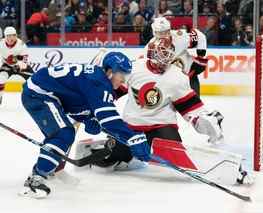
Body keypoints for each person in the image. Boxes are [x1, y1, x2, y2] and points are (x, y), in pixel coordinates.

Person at [81, 41, 252, 185]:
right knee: (111, 159)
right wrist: (92, 105)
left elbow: (189, 108)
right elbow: (114, 91)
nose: (162, 62)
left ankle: (227, 170)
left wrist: (201, 120)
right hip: (132, 128)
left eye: (167, 58)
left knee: (176, 155)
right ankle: (116, 152)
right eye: (159, 57)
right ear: (151, 54)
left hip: (161, 127)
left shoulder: (177, 77)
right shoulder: (135, 68)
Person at [20, 52, 151, 199]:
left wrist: (88, 119)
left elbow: (73, 100)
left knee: (60, 135)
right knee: (63, 134)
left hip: (45, 92)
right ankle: (36, 179)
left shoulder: (96, 77)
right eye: (122, 75)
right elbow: (109, 119)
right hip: (39, 94)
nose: (123, 80)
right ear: (110, 71)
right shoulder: (99, 83)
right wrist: (132, 137)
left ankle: (48, 166)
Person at [0, 26, 32, 105]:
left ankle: (36, 96)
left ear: (16, 36)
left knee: (32, 80)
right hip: (6, 65)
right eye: (8, 36)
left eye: (13, 35)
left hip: (20, 66)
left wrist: (16, 61)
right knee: (1, 79)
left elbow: (24, 61)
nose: (11, 38)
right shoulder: (1, 43)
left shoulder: (21, 44)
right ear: (5, 36)